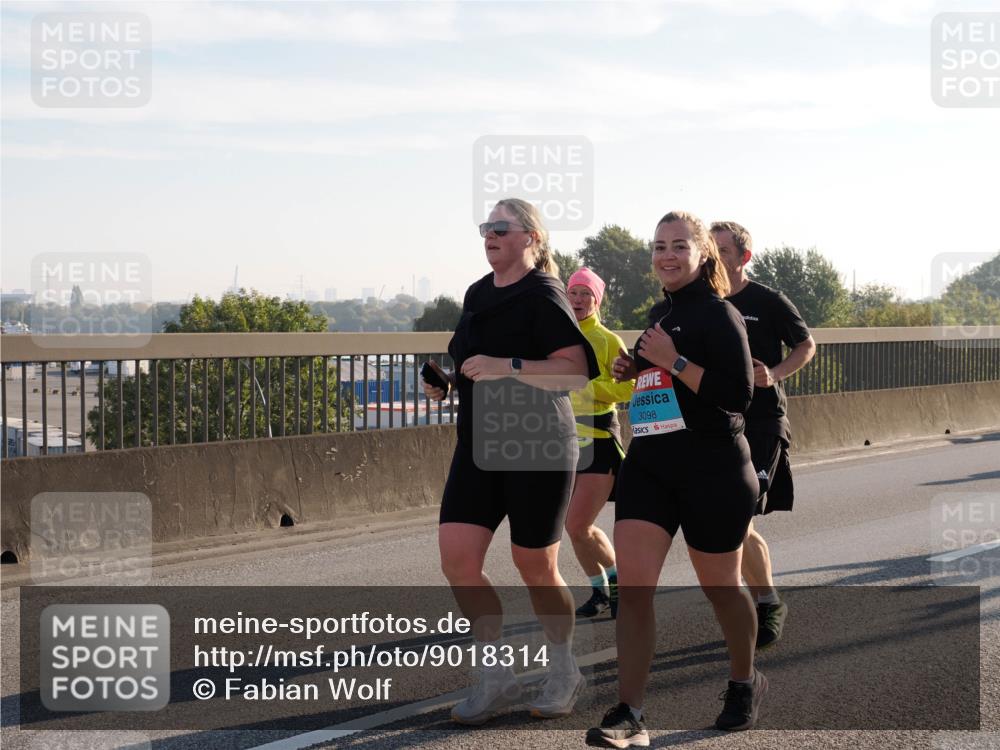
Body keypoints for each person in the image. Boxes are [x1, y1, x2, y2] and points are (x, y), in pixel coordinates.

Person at [587, 210, 764, 748]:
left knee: (721, 588)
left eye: (678, 245)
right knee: (635, 591)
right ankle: (629, 715)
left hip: (713, 471)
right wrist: (636, 370)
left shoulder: (720, 315)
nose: (666, 254)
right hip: (651, 468)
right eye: (659, 245)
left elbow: (737, 396)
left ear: (702, 253)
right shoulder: (659, 314)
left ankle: (743, 681)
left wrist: (674, 358)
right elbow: (664, 381)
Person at [422, 197, 599, 725]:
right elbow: (470, 359)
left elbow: (573, 372)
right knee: (457, 557)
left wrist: (508, 366)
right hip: (480, 445)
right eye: (486, 227)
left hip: (539, 444)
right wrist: (447, 384)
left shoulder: (544, 294)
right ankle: (496, 674)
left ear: (531, 238)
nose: (490, 235)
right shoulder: (478, 293)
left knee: (536, 565)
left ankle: (564, 669)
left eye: (502, 227)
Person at [711, 221, 816, 649]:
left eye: (723, 251)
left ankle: (766, 602)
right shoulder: (704, 303)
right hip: (717, 423)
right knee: (724, 520)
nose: (715, 259)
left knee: (736, 517)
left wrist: (773, 373)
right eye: (710, 251)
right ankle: (751, 603)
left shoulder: (767, 301)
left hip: (762, 423)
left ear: (743, 257)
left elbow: (806, 345)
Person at [564, 268, 635, 618]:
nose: (577, 300)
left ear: (596, 301)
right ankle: (600, 591)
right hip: (562, 443)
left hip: (600, 439)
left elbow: (629, 387)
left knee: (577, 524)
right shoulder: (555, 337)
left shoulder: (608, 339)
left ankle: (622, 583)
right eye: (573, 292)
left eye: (585, 294)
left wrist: (588, 387)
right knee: (577, 530)